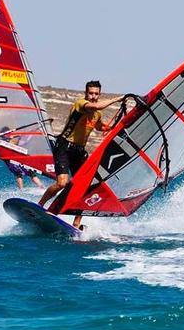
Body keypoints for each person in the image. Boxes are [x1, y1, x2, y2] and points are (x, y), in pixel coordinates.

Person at [38, 80, 123, 227]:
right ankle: (40, 206)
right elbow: (96, 105)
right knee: (61, 183)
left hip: (79, 150)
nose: (93, 96)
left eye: (96, 94)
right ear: (86, 93)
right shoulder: (81, 104)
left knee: (85, 187)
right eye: (91, 93)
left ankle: (76, 224)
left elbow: (99, 127)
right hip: (64, 146)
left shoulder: (97, 114)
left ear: (99, 94)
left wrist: (114, 127)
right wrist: (117, 99)